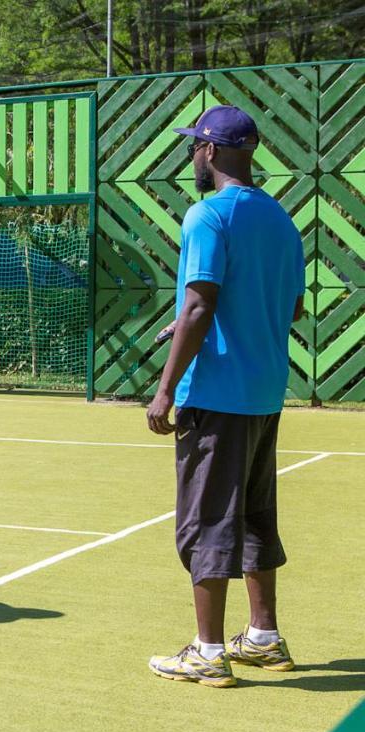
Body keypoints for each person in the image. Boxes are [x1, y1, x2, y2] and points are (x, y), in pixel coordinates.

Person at [146, 105, 306, 688]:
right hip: (265, 392)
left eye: (194, 146)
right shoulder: (280, 220)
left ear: (209, 151)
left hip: (216, 393)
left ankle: (207, 651)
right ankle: (263, 637)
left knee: (207, 518)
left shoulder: (206, 215)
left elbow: (199, 304)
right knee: (256, 514)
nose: (192, 155)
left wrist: (165, 390)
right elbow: (290, 308)